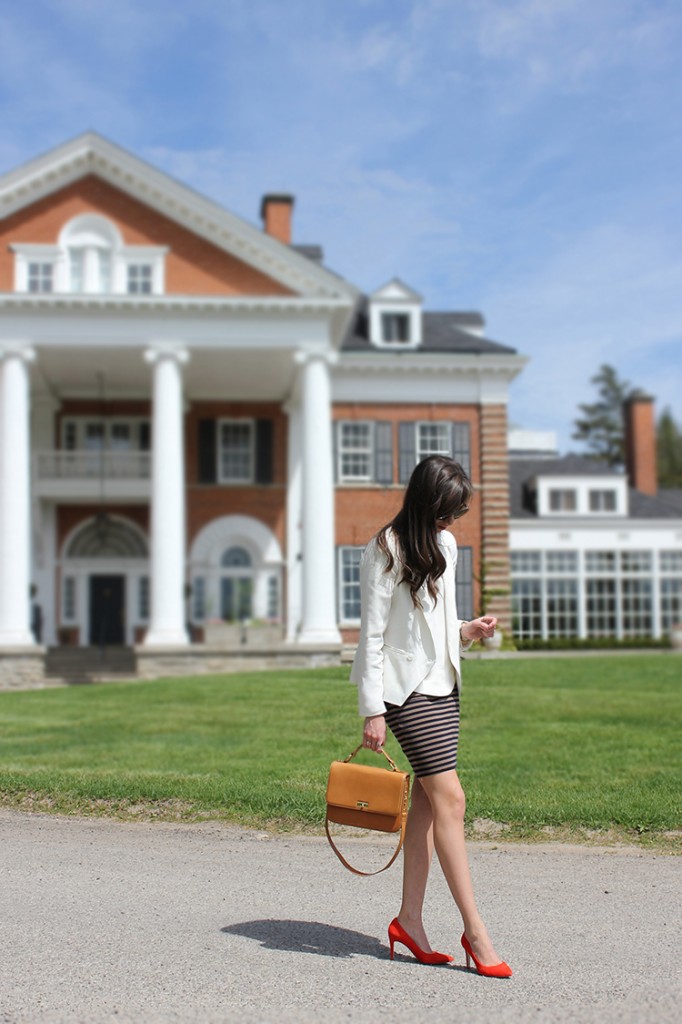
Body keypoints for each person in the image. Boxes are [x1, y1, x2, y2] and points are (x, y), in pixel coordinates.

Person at [350, 454, 512, 978]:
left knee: (425, 802)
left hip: (443, 685)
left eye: (457, 514)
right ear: (427, 504)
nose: (451, 522)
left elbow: (437, 620)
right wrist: (372, 709)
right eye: (446, 512)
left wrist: (467, 631)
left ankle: (409, 922)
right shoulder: (384, 551)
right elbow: (373, 636)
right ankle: (476, 932)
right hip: (403, 694)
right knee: (452, 798)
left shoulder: (446, 545)